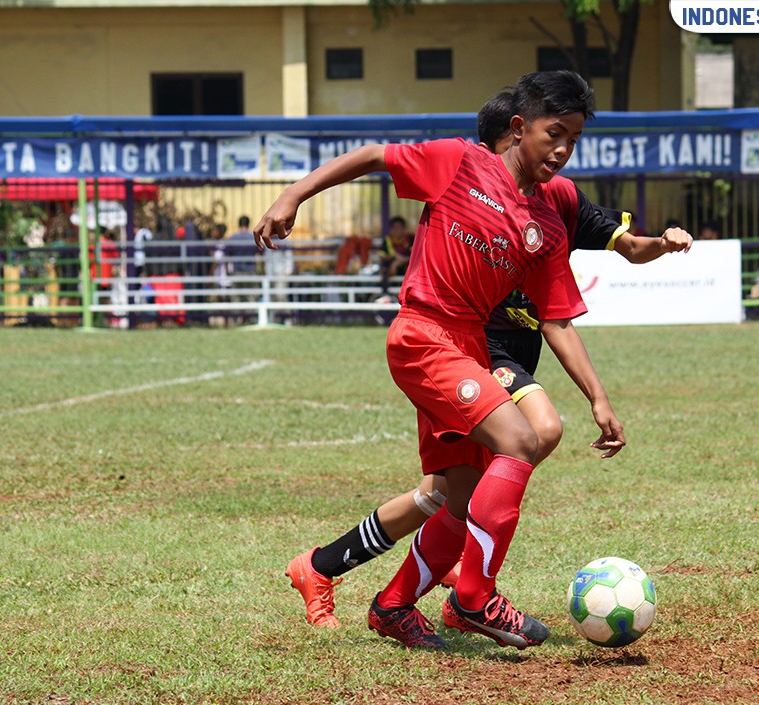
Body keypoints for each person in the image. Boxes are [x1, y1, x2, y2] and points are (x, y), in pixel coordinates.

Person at [280, 88, 692, 631]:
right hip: (427, 336)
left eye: (574, 139)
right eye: (554, 134)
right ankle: (474, 594)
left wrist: (600, 397)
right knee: (526, 438)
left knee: (455, 494)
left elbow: (558, 317)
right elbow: (376, 156)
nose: (563, 149)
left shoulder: (546, 217)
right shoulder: (460, 161)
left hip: (470, 348)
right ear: (518, 129)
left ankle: (380, 599)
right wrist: (292, 196)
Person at [378, 215, 413, 297]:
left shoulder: (410, 239)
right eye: (395, 228)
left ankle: (409, 295)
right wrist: (395, 260)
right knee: (384, 269)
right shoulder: (387, 240)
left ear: (404, 228)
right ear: (391, 229)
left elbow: (415, 257)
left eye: (399, 227)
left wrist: (399, 261)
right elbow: (382, 257)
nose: (397, 230)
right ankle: (385, 296)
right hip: (391, 270)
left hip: (406, 269)